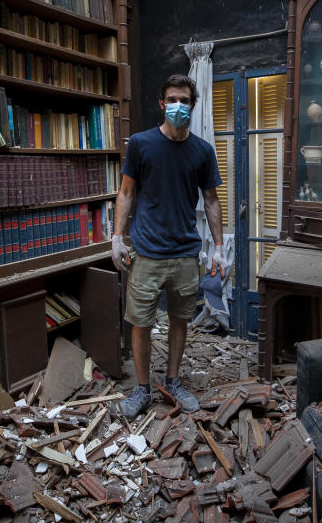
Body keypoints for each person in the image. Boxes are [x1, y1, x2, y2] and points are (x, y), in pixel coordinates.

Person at [112, 74, 228, 418]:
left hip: (185, 253)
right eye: (173, 99)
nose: (179, 106)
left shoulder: (202, 151)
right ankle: (142, 389)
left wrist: (219, 246)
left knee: (180, 319)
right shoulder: (142, 144)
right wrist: (117, 237)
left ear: (193, 105)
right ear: (162, 104)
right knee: (141, 323)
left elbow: (211, 200)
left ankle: (173, 380)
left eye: (185, 100)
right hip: (147, 252)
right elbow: (126, 192)